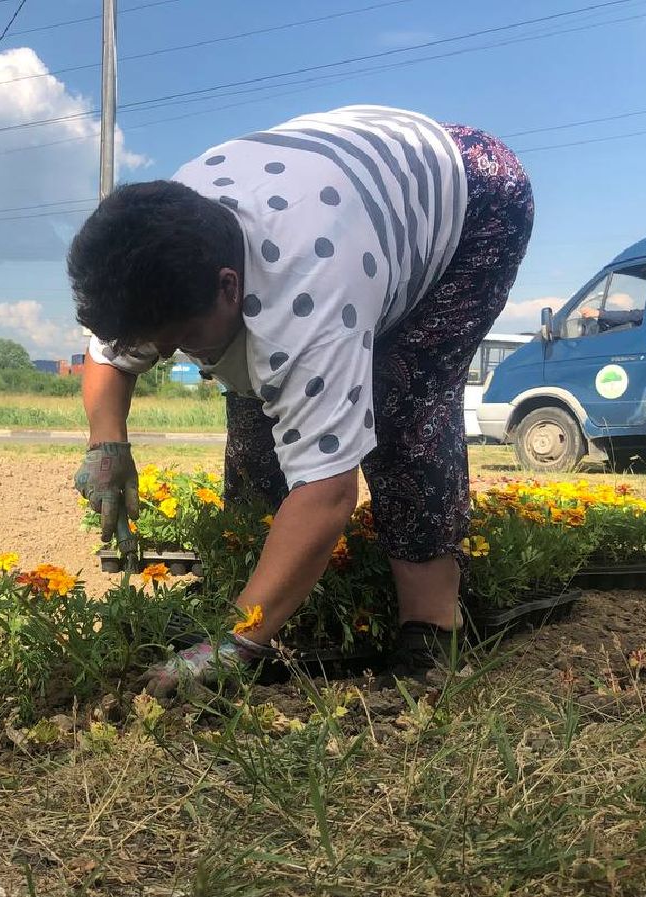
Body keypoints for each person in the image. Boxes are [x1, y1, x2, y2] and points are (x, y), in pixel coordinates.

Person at [68, 104, 534, 694]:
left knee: (406, 406)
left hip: (468, 196)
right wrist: (107, 441)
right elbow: (110, 355)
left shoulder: (307, 296)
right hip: (350, 185)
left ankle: (432, 625)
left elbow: (329, 492)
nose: (167, 357)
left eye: (179, 342)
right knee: (257, 414)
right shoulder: (150, 242)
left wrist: (235, 644)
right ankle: (259, 589)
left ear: (229, 287)